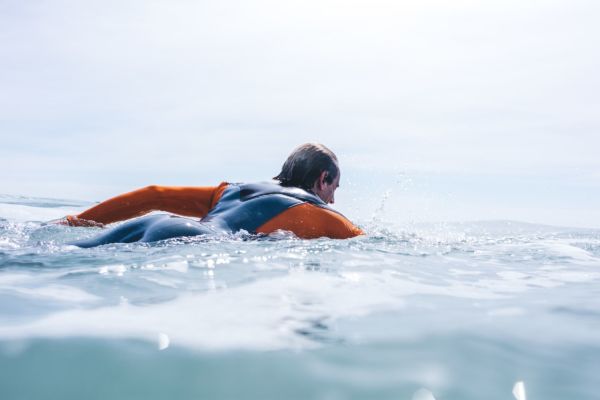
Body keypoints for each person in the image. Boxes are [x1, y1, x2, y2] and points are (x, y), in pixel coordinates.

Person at [64, 143, 363, 247]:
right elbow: (367, 242)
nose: (332, 201)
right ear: (323, 178)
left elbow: (152, 195)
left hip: (154, 223)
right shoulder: (320, 215)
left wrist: (76, 220)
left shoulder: (233, 190)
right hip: (192, 240)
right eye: (333, 189)